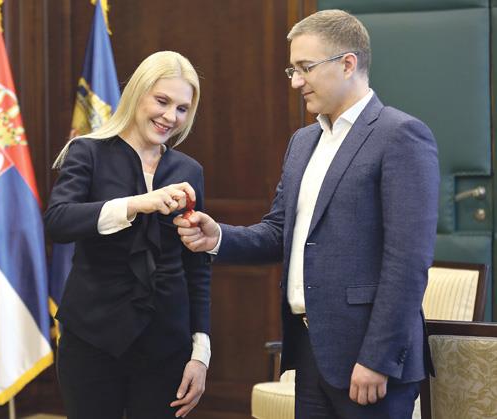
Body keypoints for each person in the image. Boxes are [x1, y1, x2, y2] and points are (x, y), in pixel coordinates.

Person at [174, 10, 439, 419]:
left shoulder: (400, 135)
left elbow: (407, 262)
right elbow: (279, 231)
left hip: (368, 360)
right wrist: (218, 238)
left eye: (305, 67)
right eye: (292, 70)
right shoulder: (303, 142)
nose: (296, 81)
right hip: (311, 354)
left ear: (347, 64)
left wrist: (378, 358)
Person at [45, 51, 211, 419]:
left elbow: (197, 266)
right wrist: (136, 204)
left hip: (167, 343)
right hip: (92, 339)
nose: (170, 116)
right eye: (162, 101)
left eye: (182, 109)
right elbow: (58, 221)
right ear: (137, 93)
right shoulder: (87, 152)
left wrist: (201, 353)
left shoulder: (189, 170)